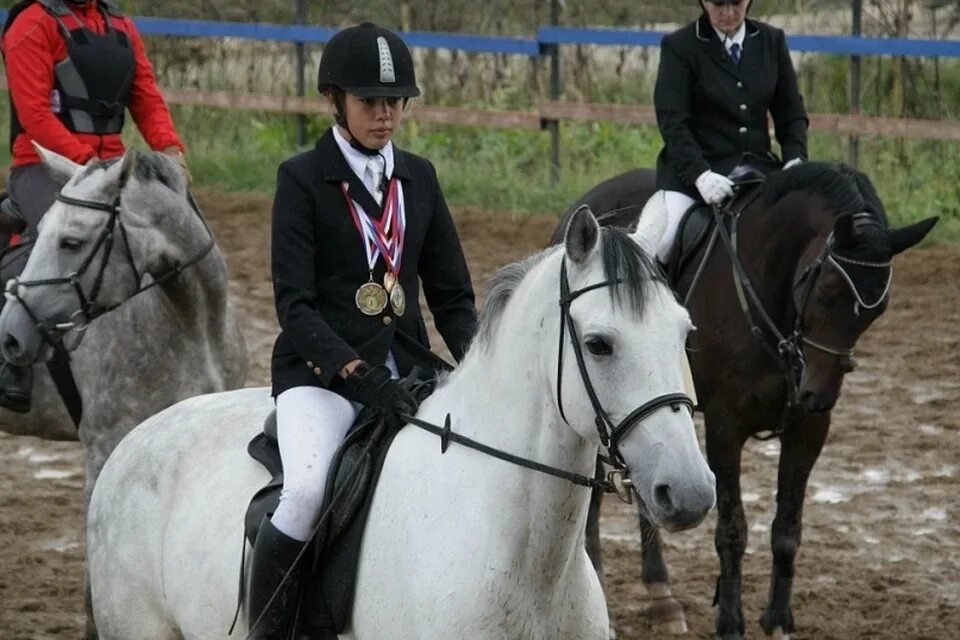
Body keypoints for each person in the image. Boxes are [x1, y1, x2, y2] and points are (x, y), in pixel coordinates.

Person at [249, 22, 478, 639]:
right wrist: (356, 373)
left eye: (395, 102)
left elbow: (453, 297)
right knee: (303, 495)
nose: (384, 115)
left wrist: (481, 364)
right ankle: (270, 629)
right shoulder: (301, 179)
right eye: (370, 102)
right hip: (321, 374)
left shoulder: (420, 178)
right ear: (334, 101)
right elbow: (294, 306)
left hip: (409, 368)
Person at [0, 0, 188, 412]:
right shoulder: (32, 24)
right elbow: (34, 115)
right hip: (43, 166)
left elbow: (146, 94)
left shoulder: (119, 24)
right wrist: (88, 166)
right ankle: (10, 361)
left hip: (113, 168)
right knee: (52, 239)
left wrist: (168, 148)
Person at [652, 0, 809, 264]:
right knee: (663, 241)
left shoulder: (771, 41)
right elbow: (673, 121)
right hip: (695, 175)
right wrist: (699, 174)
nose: (728, 13)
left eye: (736, 3)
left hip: (758, 170)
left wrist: (795, 159)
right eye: (718, 4)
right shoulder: (680, 46)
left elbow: (790, 112)